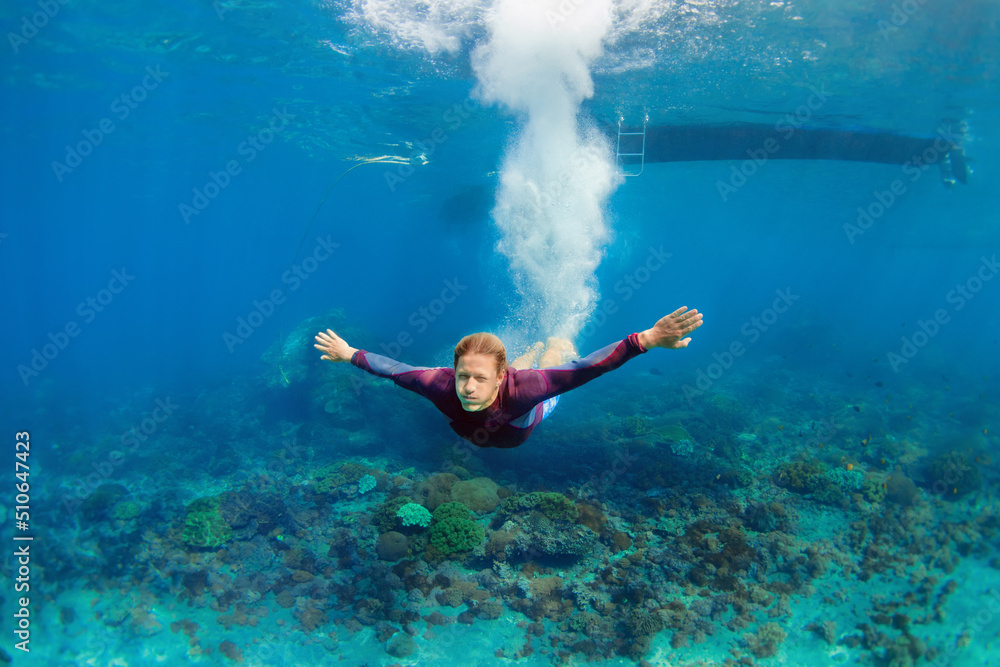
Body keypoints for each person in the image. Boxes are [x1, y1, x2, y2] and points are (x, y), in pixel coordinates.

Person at [314, 306, 703, 448]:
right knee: (521, 368)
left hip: (525, 424)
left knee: (547, 370)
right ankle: (530, 352)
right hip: (494, 410)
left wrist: (647, 339)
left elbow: (585, 369)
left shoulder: (525, 390)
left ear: (500, 378)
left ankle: (551, 343)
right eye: (463, 375)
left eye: (480, 379)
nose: (467, 388)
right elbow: (393, 369)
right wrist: (349, 353)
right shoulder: (439, 383)